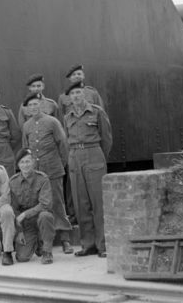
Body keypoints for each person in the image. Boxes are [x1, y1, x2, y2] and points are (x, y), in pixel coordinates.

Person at [64, 82, 112, 258]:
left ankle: (102, 245)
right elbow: (66, 138)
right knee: (80, 202)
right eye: (72, 94)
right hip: (75, 155)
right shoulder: (67, 116)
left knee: (98, 202)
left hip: (93, 153)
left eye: (78, 92)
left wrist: (99, 157)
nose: (76, 96)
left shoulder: (97, 111)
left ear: (83, 94)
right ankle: (88, 244)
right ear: (69, 98)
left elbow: (106, 138)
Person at [21, 93, 74, 254]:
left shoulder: (52, 122)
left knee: (58, 203)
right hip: (36, 172)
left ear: (41, 105)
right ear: (27, 109)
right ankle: (41, 240)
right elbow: (26, 150)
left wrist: (61, 164)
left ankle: (65, 239)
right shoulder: (27, 126)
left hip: (53, 168)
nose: (33, 107)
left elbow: (63, 144)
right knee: (37, 205)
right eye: (30, 105)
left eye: (36, 104)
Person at [10, 148, 55, 264]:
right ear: (18, 165)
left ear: (33, 162)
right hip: (26, 224)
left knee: (46, 216)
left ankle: (47, 251)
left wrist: (25, 214)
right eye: (22, 162)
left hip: (40, 218)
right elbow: (14, 209)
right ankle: (37, 243)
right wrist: (19, 231)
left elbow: (45, 204)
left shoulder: (42, 179)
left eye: (28, 161)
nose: (25, 165)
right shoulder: (13, 182)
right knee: (22, 258)